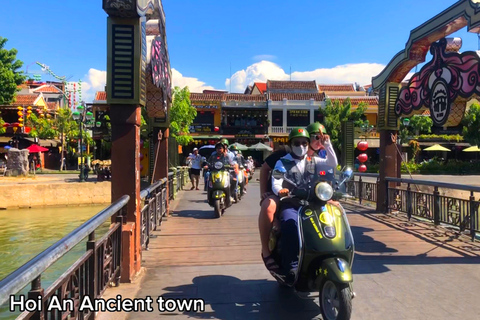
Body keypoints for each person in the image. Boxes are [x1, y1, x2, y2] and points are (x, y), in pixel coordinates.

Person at [271, 127, 338, 284]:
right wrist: (280, 190)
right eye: (297, 143)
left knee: (331, 222)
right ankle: (291, 266)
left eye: (304, 143)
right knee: (290, 224)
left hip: (313, 204)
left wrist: (327, 145)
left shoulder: (313, 160)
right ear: (290, 144)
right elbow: (276, 180)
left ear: (308, 144)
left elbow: (332, 163)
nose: (300, 146)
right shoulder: (283, 161)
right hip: (292, 204)